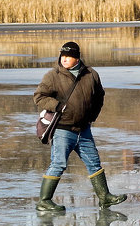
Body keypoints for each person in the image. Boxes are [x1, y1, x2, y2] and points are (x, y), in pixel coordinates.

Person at [33, 40, 128, 214]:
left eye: (69, 56)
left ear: (77, 58)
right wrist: (57, 105)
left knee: (94, 163)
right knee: (58, 164)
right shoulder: (53, 76)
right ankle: (44, 201)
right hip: (63, 129)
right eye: (63, 55)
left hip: (84, 130)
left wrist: (92, 116)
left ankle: (105, 197)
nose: (64, 59)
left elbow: (99, 97)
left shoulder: (91, 74)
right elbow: (39, 97)